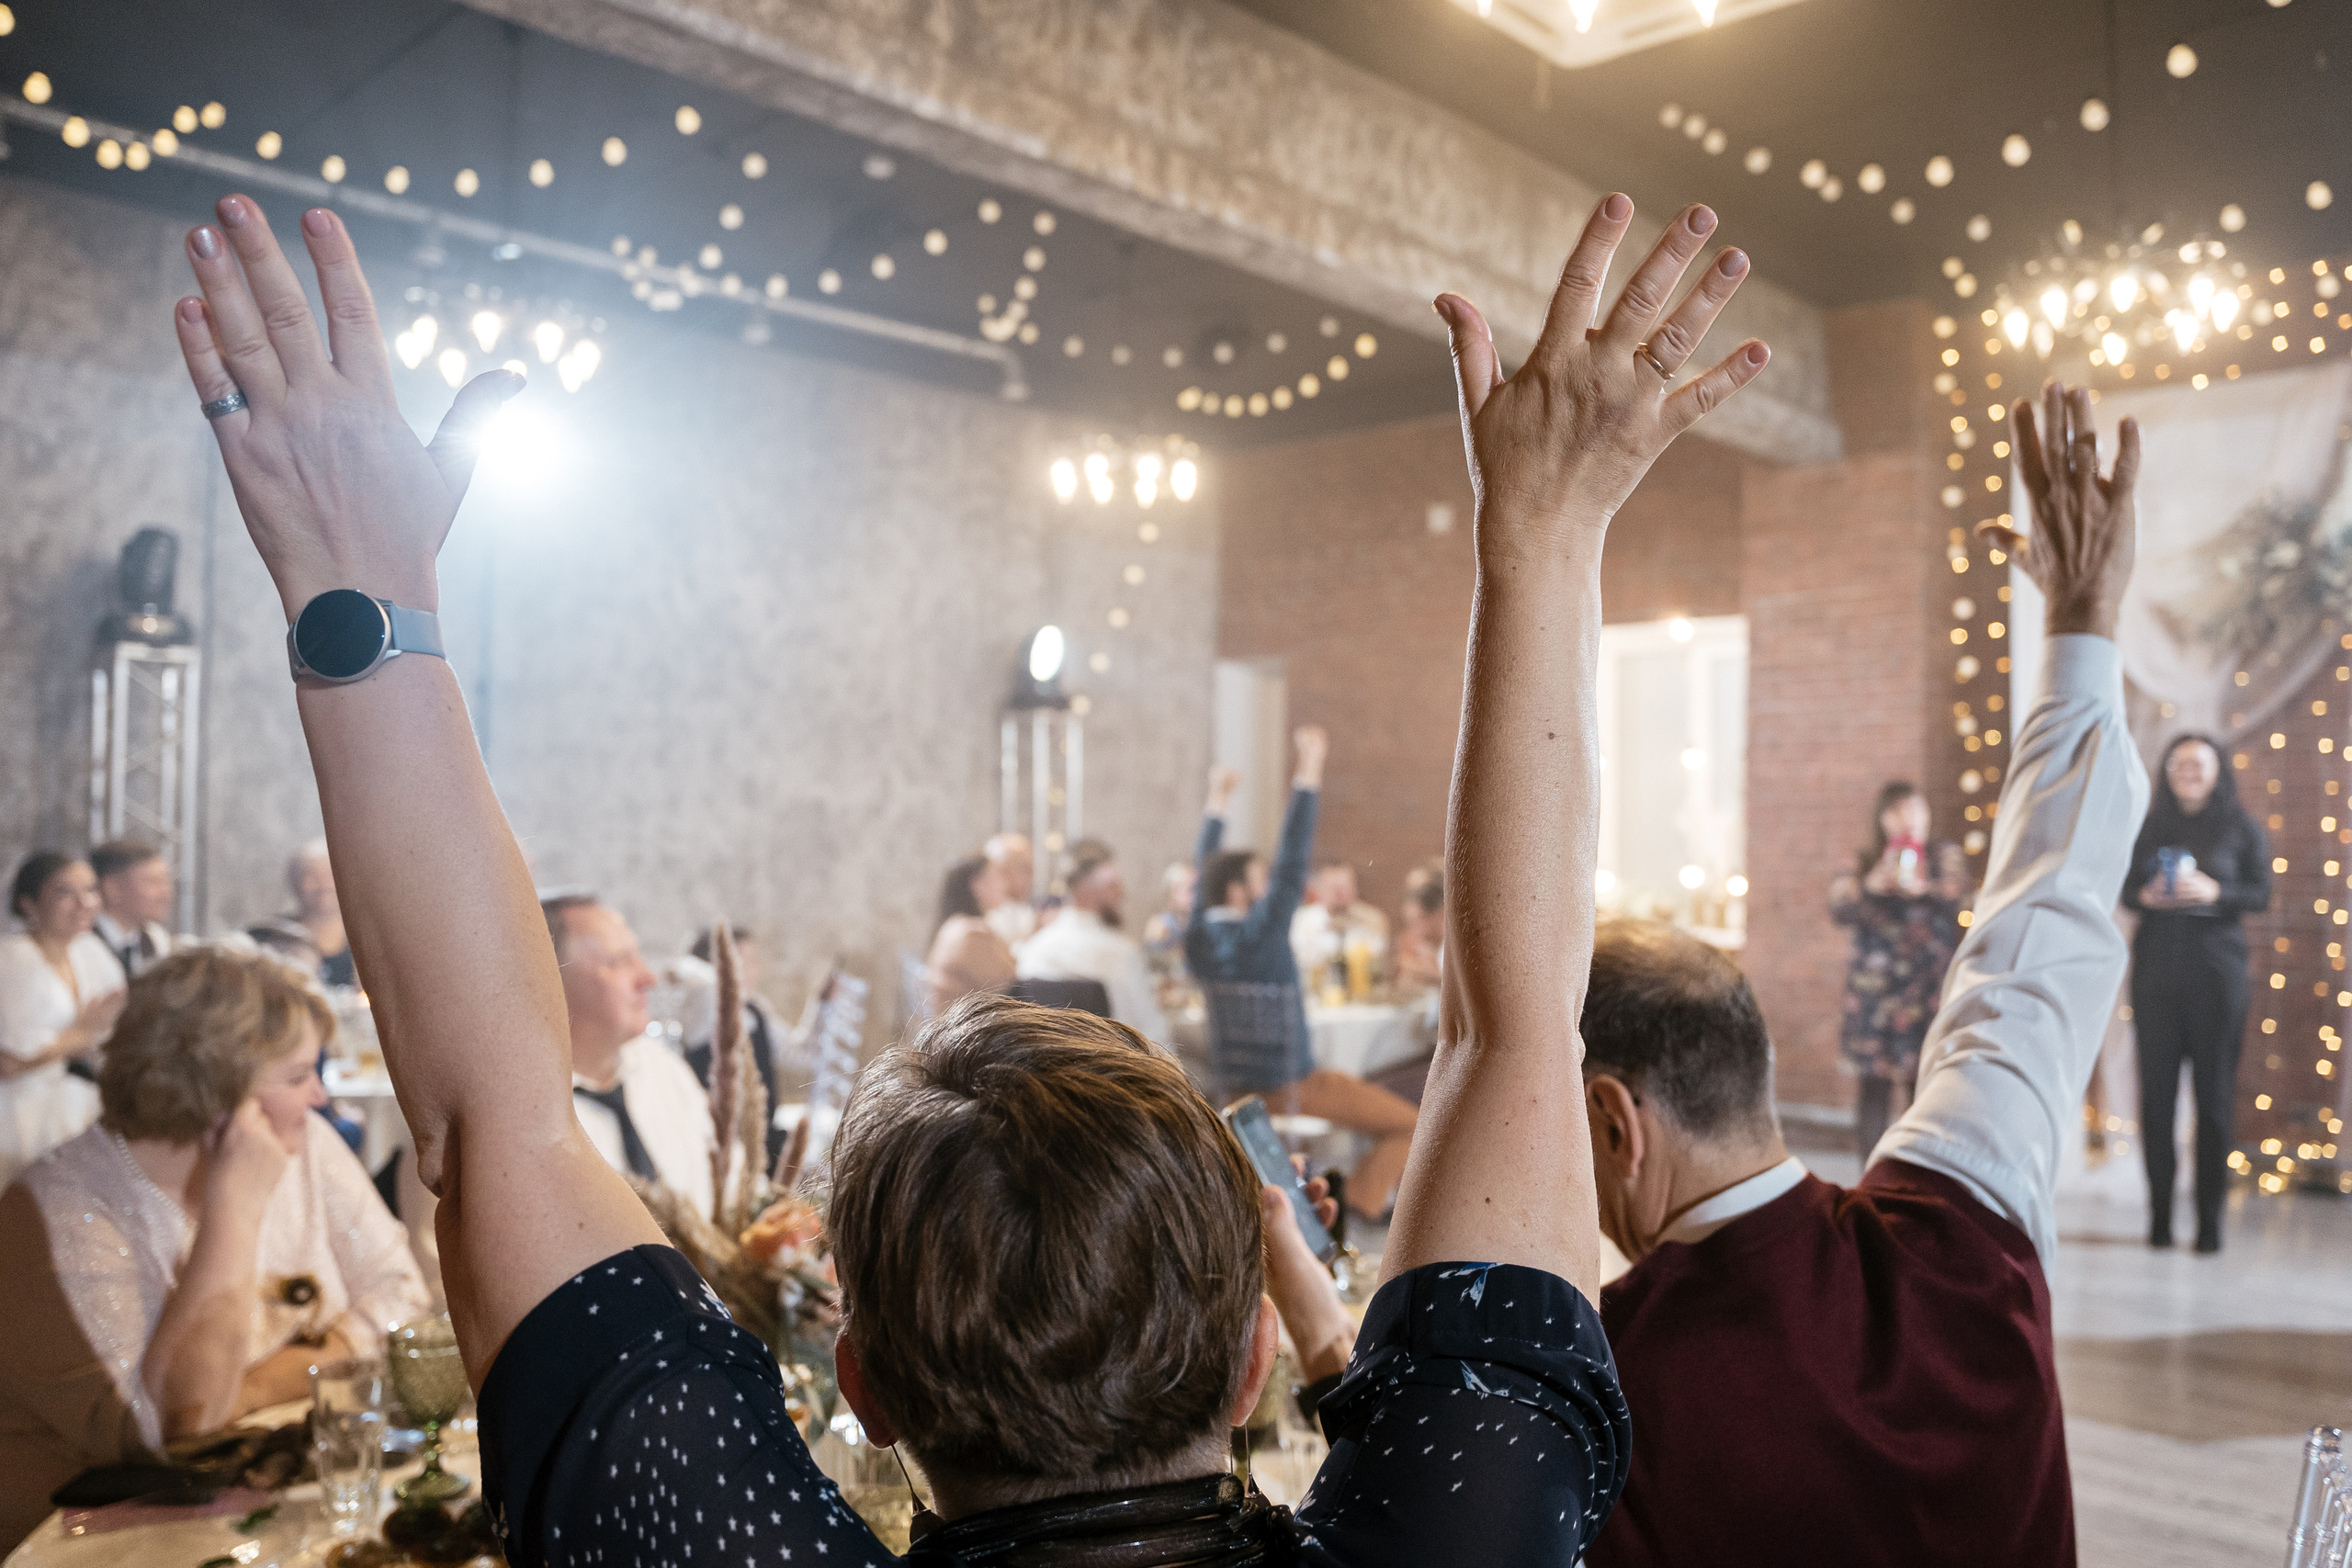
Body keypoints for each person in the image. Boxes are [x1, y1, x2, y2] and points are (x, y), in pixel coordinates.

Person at [163, 186, 1763, 1562]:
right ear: (1257, 1357)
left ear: (861, 1382)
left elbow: (482, 1112)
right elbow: (1513, 1033)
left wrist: (359, 585)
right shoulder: (1458, 1529)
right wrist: (1546, 536)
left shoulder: (715, 1529)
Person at [1581, 379, 2144, 1567]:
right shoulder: (1962, 1236)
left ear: (1614, 1119)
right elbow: (2044, 923)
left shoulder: (1601, 1382)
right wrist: (2083, 620)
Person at [0, 944, 426, 1548]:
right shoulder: (58, 1210)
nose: (319, 1098)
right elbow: (179, 1427)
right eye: (298, 1075)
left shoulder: (305, 1144)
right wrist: (236, 1209)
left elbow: (402, 1301)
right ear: (219, 1096)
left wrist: (251, 1386)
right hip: (95, 1540)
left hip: (270, 1509)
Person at [1187, 734, 1420, 1220]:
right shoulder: (1262, 937)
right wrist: (1309, 768)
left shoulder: (1199, 943)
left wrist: (1218, 802)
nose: (1269, 885)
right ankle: (1355, 1209)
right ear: (1236, 891)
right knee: (1411, 1126)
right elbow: (1294, 859)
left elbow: (1198, 880)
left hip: (1231, 1094)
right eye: (1258, 879)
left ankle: (1339, 1212)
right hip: (1293, 1085)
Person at [2122, 732, 2271, 1252]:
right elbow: (2121, 888)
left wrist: (2216, 891)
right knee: (2157, 1102)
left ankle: (2210, 1222)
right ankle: (2159, 1218)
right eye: (2178, 762)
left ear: (2217, 771)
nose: (2188, 771)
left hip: (2217, 979)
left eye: (2198, 764)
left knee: (2214, 1102)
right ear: (2166, 770)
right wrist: (2144, 895)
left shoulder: (2240, 826)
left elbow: (2262, 893)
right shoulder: (2148, 825)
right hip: (2156, 975)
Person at [544, 892, 719, 1217]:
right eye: (619, 961)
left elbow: (732, 1183)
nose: (648, 978)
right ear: (550, 981)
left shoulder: (662, 1069)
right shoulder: (526, 1114)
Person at [1828, 783, 1968, 1156]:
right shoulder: (1863, 860)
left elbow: (1957, 898)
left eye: (1915, 809)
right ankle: (1871, 1178)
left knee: (1922, 1086)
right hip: (1875, 992)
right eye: (1898, 810)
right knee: (1873, 1087)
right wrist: (1872, 883)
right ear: (1882, 817)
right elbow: (1839, 907)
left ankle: (1914, 1173)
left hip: (1925, 989)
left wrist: (1921, 882)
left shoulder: (1943, 856)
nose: (1908, 818)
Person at [0, 854, 125, 1188]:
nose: (84, 904)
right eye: (64, 893)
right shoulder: (14, 959)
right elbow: (8, 1064)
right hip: (18, 1118)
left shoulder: (90, 951)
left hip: (77, 1114)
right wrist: (80, 1035)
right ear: (28, 903)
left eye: (90, 890)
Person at [679, 923, 803, 1172]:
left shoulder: (755, 1007)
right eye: (744, 962)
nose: (754, 971)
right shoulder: (703, 1008)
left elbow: (796, 1053)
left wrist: (821, 1006)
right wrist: (723, 971)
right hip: (723, 1150)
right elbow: (687, 970)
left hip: (762, 1142)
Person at [1017, 838, 1169, 1042]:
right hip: (1112, 1066)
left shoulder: (1035, 948)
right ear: (1089, 888)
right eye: (1113, 886)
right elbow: (1150, 1034)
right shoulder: (1119, 953)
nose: (1121, 893)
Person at [925, 855, 1018, 1016]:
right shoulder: (972, 934)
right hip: (968, 1032)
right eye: (997, 877)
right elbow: (1013, 986)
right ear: (977, 884)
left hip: (957, 1026)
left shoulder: (955, 925)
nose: (1005, 885)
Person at [1290, 861, 1391, 998]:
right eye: (1333, 888)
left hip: (1363, 999)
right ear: (1320, 889)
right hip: (1316, 999)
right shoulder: (1302, 921)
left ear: (1355, 889)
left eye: (1344, 887)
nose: (1339, 893)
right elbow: (1301, 959)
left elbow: (1380, 962)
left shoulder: (1372, 920)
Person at [89, 840, 175, 981]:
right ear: (112, 889)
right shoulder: (81, 944)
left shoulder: (156, 939)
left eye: (166, 882)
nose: (166, 893)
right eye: (153, 882)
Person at [284, 840, 355, 988]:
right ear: (293, 882)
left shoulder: (365, 941)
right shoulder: (271, 937)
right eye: (311, 876)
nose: (323, 885)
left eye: (329, 875)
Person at [1394, 860, 1446, 993]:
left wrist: (1435, 977)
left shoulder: (1454, 942)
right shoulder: (1409, 939)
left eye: (1422, 894)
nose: (1412, 902)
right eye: (1409, 894)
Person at [982, 831, 1038, 950]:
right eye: (1025, 868)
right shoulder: (981, 913)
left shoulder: (1024, 911)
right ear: (1002, 870)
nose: (1032, 876)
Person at [1141, 860, 1194, 981]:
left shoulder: (1202, 923)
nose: (1196, 896)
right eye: (1190, 890)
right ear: (1172, 892)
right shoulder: (1161, 925)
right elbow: (1154, 968)